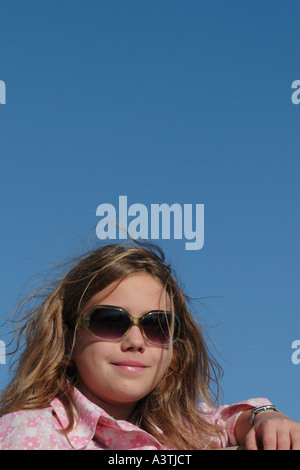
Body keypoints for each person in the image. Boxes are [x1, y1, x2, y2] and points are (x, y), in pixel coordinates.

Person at [0, 241, 299, 450]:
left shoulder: (178, 432)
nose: (135, 341)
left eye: (157, 326)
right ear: (67, 336)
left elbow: (227, 421)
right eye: (109, 321)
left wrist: (266, 417)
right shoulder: (27, 431)